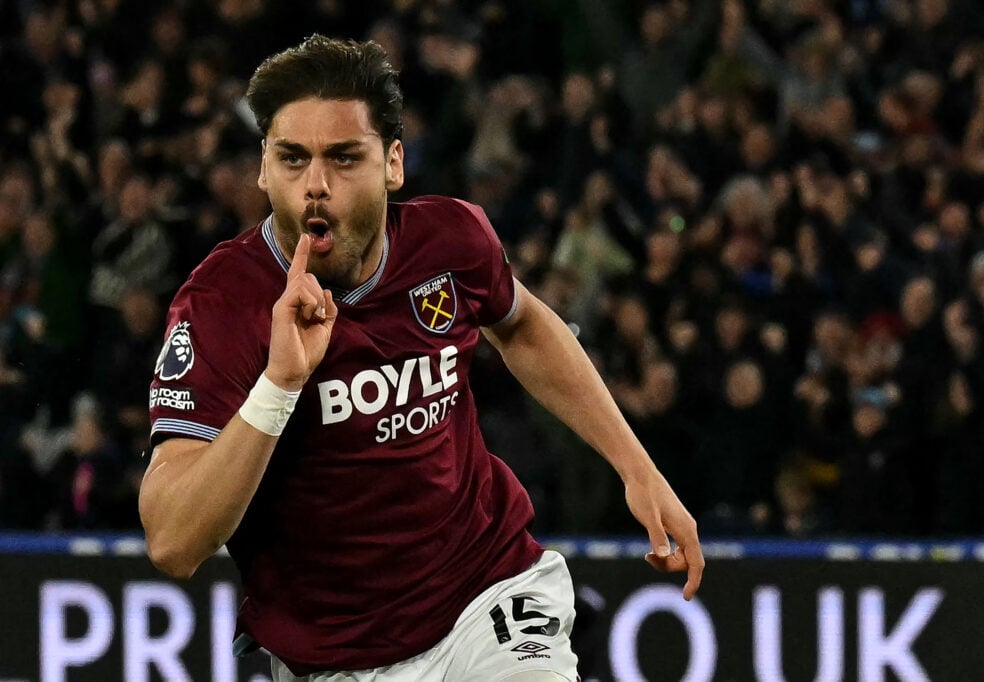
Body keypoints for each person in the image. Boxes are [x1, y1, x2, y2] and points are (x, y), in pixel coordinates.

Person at [139, 35, 703, 682]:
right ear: (264, 168)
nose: (315, 185)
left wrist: (636, 467)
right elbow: (173, 543)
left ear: (393, 163)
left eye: (344, 158)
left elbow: (522, 325)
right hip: (333, 658)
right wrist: (280, 384)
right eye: (292, 159)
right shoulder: (220, 306)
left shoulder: (450, 242)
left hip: (487, 595)